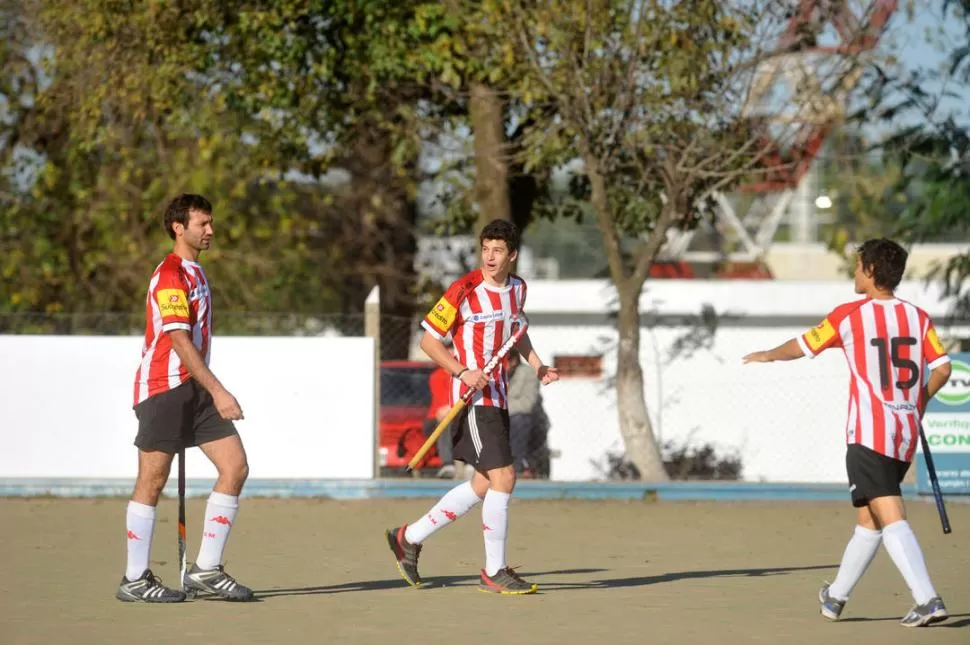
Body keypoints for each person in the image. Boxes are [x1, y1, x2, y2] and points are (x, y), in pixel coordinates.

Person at [743, 238, 950, 627]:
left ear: (870, 271)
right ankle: (835, 598)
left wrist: (768, 354)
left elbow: (804, 345)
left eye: (858, 267)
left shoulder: (849, 316)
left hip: (868, 434)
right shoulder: (918, 318)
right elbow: (942, 368)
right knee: (869, 520)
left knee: (889, 514)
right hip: (903, 434)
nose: (854, 273)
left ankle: (927, 599)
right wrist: (917, 403)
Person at [385, 218, 560, 594]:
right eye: (486, 249)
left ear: (512, 255)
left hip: (497, 396)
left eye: (498, 250)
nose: (490, 257)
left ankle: (408, 538)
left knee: (483, 483)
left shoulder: (518, 289)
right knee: (504, 477)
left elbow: (517, 334)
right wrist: (462, 371)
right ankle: (493, 570)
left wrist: (538, 365)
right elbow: (429, 343)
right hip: (470, 398)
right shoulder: (463, 290)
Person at [116, 194, 254, 603]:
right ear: (179, 227)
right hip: (163, 388)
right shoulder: (171, 274)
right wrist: (219, 389)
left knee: (235, 467)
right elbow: (177, 339)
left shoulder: (197, 272)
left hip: (195, 391)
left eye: (210, 222)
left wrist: (207, 389)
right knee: (152, 480)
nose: (210, 230)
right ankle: (135, 578)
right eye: (202, 223)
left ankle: (206, 570)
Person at [507, 350, 540, 477]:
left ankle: (518, 465)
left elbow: (527, 404)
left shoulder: (528, 374)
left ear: (513, 361)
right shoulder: (497, 375)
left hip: (519, 417)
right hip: (501, 415)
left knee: (519, 421)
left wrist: (501, 409)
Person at [425, 361, 456, 478]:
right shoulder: (437, 376)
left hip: (457, 415)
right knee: (445, 419)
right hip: (436, 419)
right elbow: (442, 408)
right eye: (448, 349)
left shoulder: (464, 375)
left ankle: (472, 463)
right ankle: (447, 464)